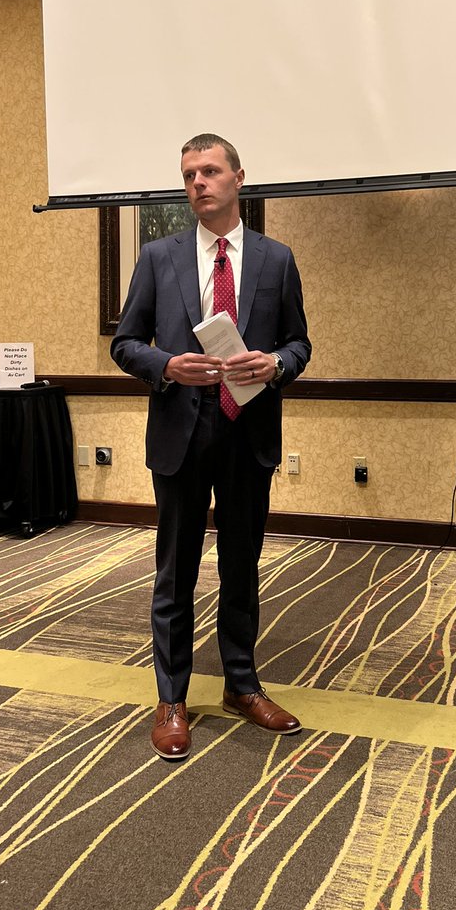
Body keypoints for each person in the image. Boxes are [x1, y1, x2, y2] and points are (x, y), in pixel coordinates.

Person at [111, 133, 311, 760]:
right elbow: (125, 343)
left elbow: (300, 344)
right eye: (189, 174)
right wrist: (167, 366)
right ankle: (171, 698)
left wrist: (274, 364)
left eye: (210, 172)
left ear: (238, 179)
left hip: (247, 433)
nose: (198, 183)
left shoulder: (276, 260)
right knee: (176, 571)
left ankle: (241, 686)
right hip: (181, 432)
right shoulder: (157, 257)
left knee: (242, 567)